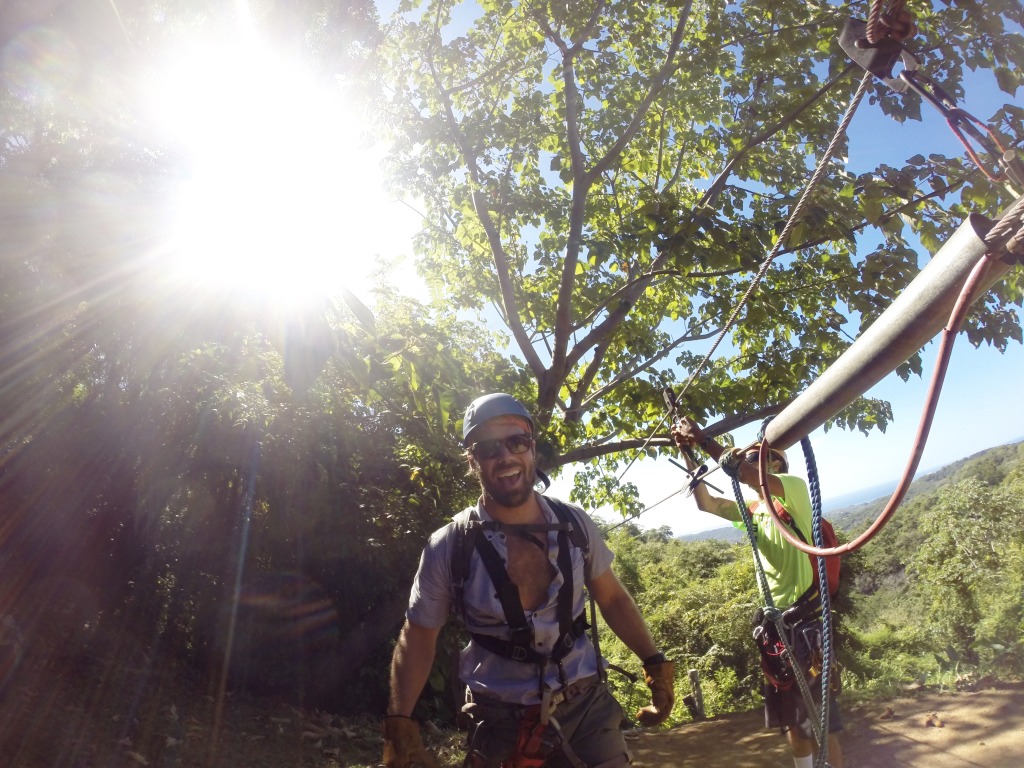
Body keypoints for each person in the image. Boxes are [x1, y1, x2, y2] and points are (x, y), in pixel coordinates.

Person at [383, 393, 675, 768]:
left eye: (516, 442)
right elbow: (419, 635)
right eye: (488, 448)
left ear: (532, 449)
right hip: (499, 719)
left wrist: (655, 664)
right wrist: (399, 727)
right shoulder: (450, 546)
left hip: (585, 707)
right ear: (473, 460)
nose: (505, 455)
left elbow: (614, 600)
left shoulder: (575, 525)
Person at [672, 417, 843, 768]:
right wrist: (688, 452)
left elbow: (749, 477)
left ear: (775, 464)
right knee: (792, 722)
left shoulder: (793, 491)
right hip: (775, 626)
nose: (746, 463)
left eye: (754, 457)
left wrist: (703, 439)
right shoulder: (753, 512)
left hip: (805, 623)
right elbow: (706, 502)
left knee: (824, 723)